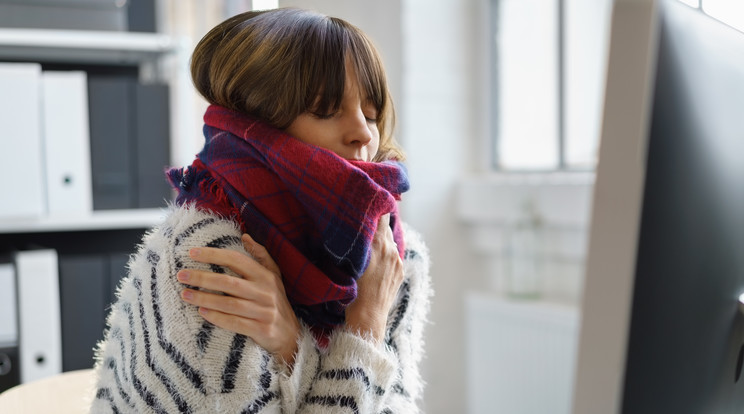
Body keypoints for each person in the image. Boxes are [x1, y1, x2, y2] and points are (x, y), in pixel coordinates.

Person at [89, 7, 432, 414]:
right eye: (325, 110)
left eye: (372, 114)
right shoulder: (212, 257)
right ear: (258, 124)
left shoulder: (391, 256)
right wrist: (364, 332)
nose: (363, 132)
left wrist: (294, 345)